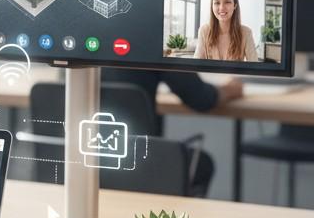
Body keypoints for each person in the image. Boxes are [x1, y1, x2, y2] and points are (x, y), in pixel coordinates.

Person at [102, 68, 243, 196]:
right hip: (143, 161)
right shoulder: (155, 43)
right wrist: (231, 89)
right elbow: (202, 98)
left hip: (93, 159)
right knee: (203, 164)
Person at [193, 0, 259, 62]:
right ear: (212, 6)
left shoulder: (246, 33)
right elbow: (197, 64)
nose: (221, 8)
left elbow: (254, 66)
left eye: (227, 2)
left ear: (235, 5)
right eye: (217, 3)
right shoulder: (204, 31)